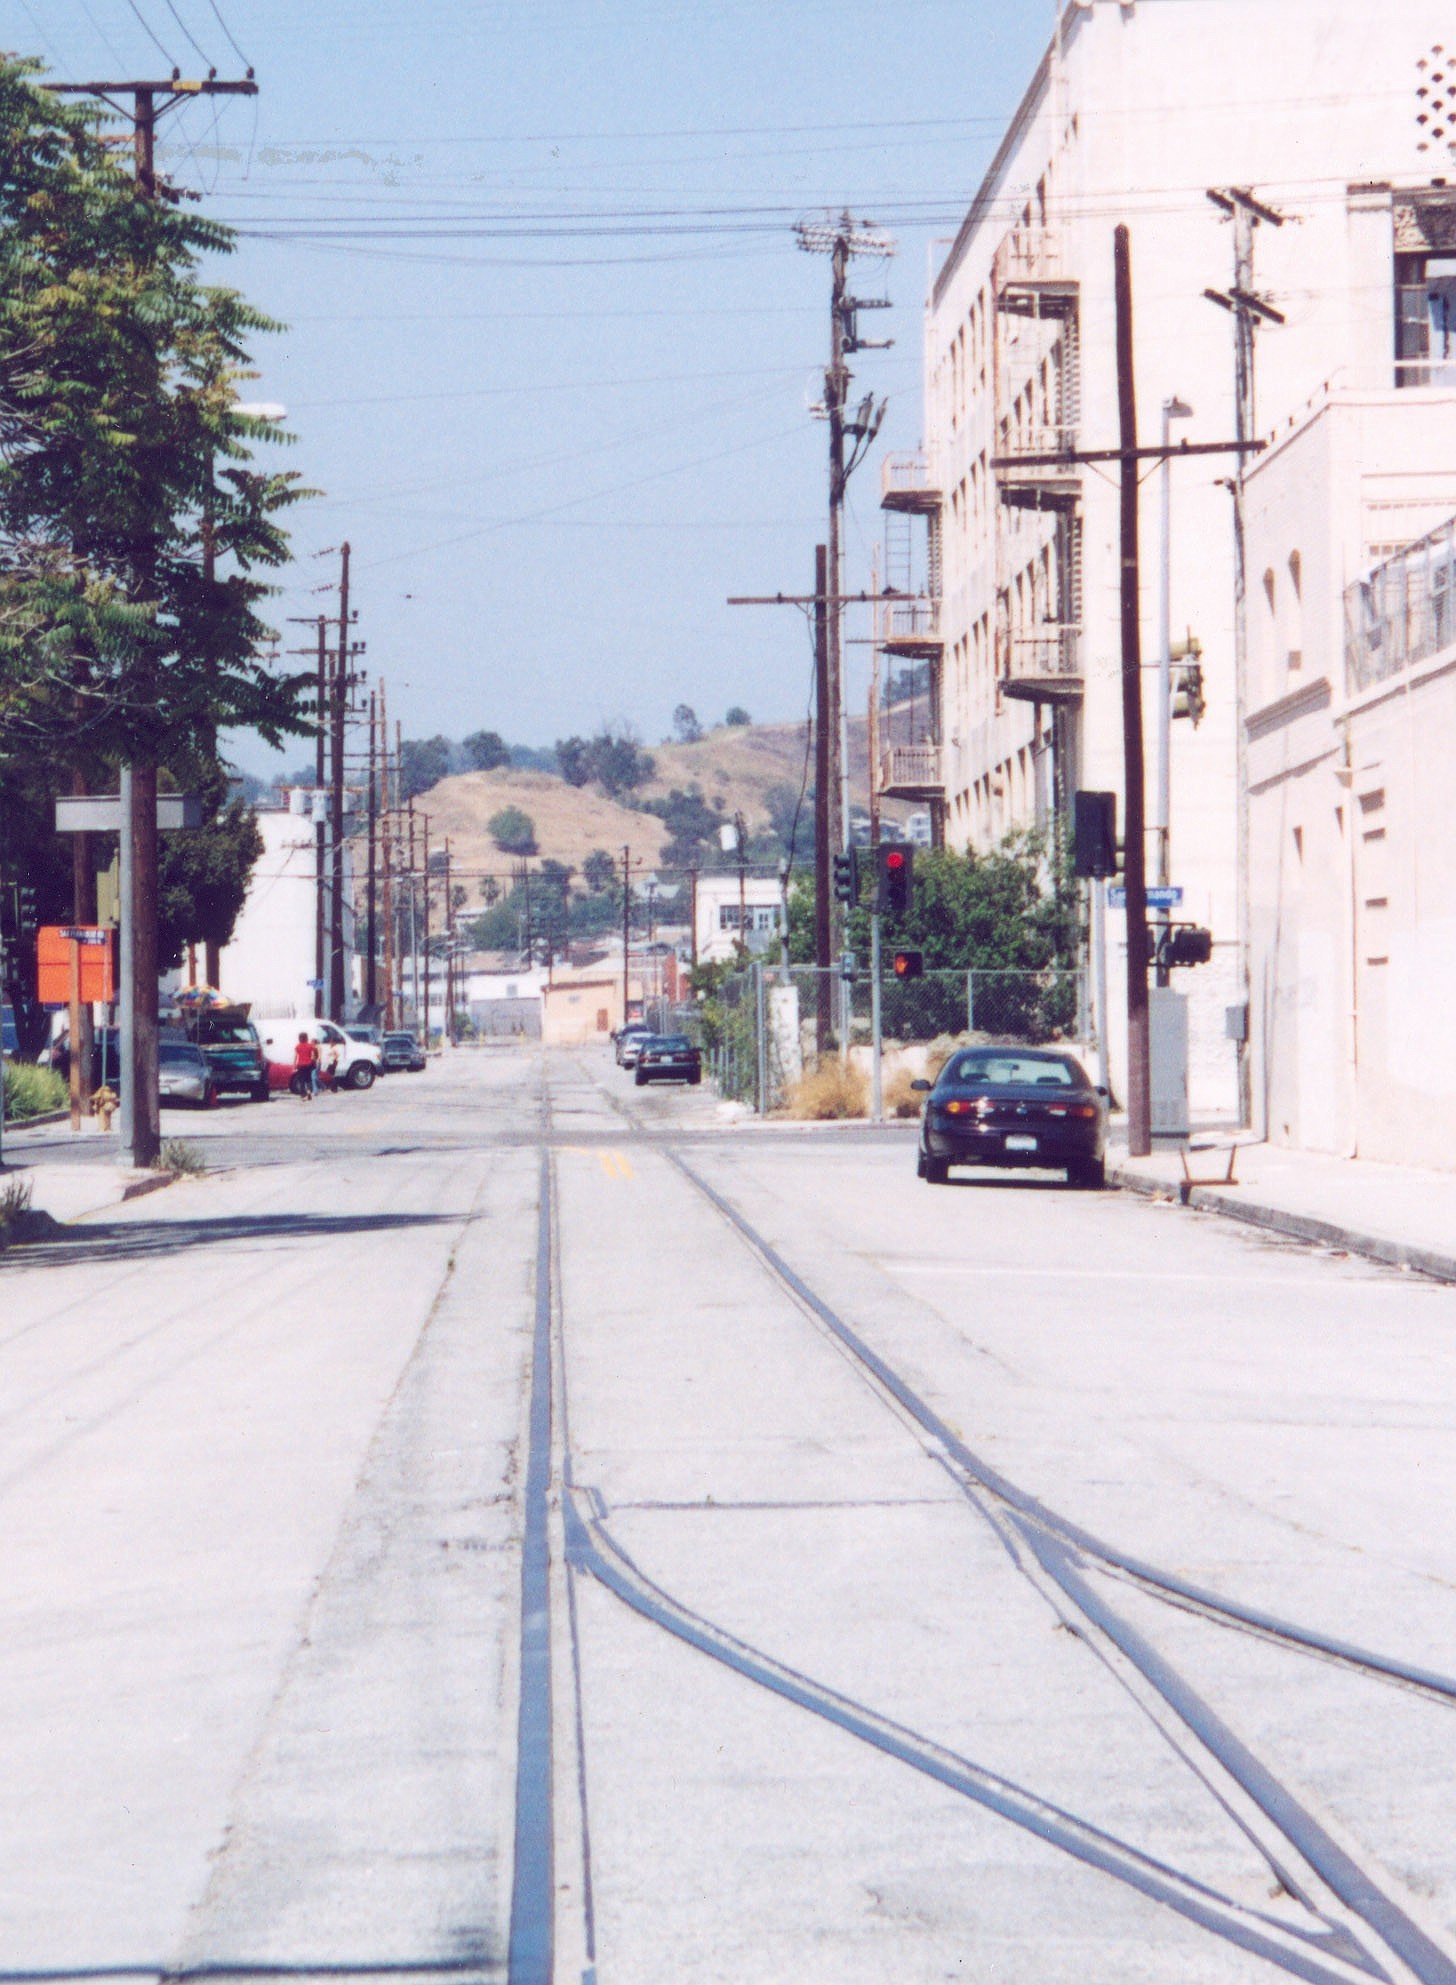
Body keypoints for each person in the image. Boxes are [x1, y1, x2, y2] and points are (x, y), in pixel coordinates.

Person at [293, 1030, 318, 1100]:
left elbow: (295, 1056)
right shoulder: (310, 1046)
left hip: (300, 1065)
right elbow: (313, 1056)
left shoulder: (297, 1046)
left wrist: (294, 1065)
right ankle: (309, 1091)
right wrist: (314, 1062)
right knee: (308, 1079)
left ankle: (303, 1094)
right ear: (306, 1038)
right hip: (308, 1065)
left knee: (301, 1080)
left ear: (299, 1038)